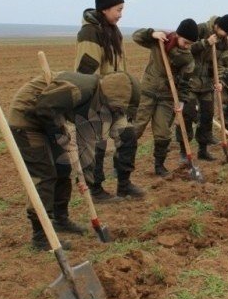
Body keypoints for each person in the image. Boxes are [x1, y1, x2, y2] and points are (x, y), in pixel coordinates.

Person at [8, 71, 139, 249]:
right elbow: (43, 110)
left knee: (63, 169)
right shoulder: (79, 90)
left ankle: (60, 219)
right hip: (27, 119)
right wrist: (60, 136)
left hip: (48, 120)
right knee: (45, 175)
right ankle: (40, 235)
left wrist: (85, 174)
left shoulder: (97, 99)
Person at [74, 0, 129, 201]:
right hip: (97, 98)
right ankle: (95, 190)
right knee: (96, 145)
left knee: (127, 137)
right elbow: (87, 71)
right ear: (105, 9)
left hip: (114, 98)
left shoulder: (113, 31)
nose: (120, 14)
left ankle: (125, 184)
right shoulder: (90, 32)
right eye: (118, 9)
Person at [132, 19, 198, 176]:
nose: (187, 46)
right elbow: (136, 36)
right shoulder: (161, 41)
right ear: (178, 35)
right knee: (136, 128)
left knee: (163, 132)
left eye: (190, 44)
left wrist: (181, 101)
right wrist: (152, 33)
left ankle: (159, 166)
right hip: (148, 91)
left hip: (167, 98)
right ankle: (121, 163)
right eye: (185, 42)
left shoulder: (188, 59)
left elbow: (186, 83)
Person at [176, 14, 228, 161]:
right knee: (187, 114)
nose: (226, 36)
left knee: (207, 115)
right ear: (217, 26)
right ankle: (183, 151)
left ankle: (202, 151)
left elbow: (223, 64)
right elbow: (185, 49)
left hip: (207, 83)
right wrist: (205, 43)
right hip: (189, 82)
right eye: (226, 32)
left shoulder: (224, 42)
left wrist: (220, 81)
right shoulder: (200, 29)